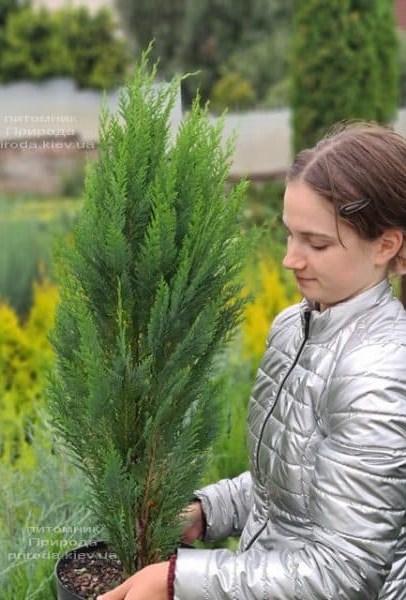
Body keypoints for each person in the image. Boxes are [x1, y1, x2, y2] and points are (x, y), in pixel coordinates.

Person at [98, 122, 406, 599]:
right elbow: (290, 488)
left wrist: (178, 581)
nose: (290, 259)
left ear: (386, 244)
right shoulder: (294, 326)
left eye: (316, 243)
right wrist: (209, 511)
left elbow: (344, 575)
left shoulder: (379, 373)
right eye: (289, 235)